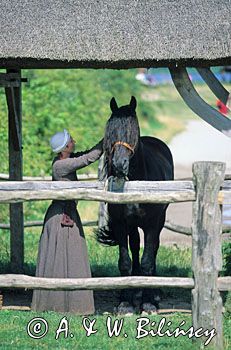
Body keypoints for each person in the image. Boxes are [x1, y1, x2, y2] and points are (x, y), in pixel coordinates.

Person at [31, 129, 103, 314]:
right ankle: (59, 304)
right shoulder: (61, 166)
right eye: (71, 140)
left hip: (67, 213)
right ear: (65, 147)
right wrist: (107, 138)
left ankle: (67, 304)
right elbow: (88, 159)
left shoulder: (64, 161)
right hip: (60, 216)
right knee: (63, 258)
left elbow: (86, 155)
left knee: (70, 257)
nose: (74, 140)